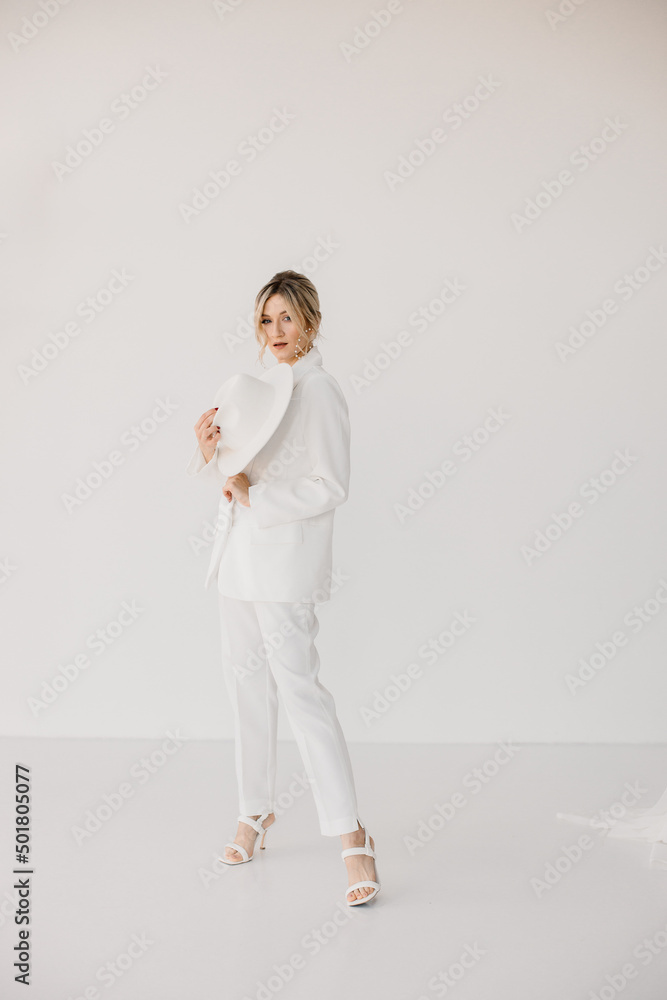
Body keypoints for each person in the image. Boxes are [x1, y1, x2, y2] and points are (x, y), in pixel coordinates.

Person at [186, 270, 381, 905]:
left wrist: (256, 494)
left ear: (311, 323)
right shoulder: (256, 387)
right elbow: (233, 472)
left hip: (284, 563)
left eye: (287, 319)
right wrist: (209, 449)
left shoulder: (320, 390)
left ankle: (353, 836)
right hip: (238, 556)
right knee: (244, 684)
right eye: (266, 320)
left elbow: (331, 485)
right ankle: (255, 809)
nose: (275, 332)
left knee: (300, 690)